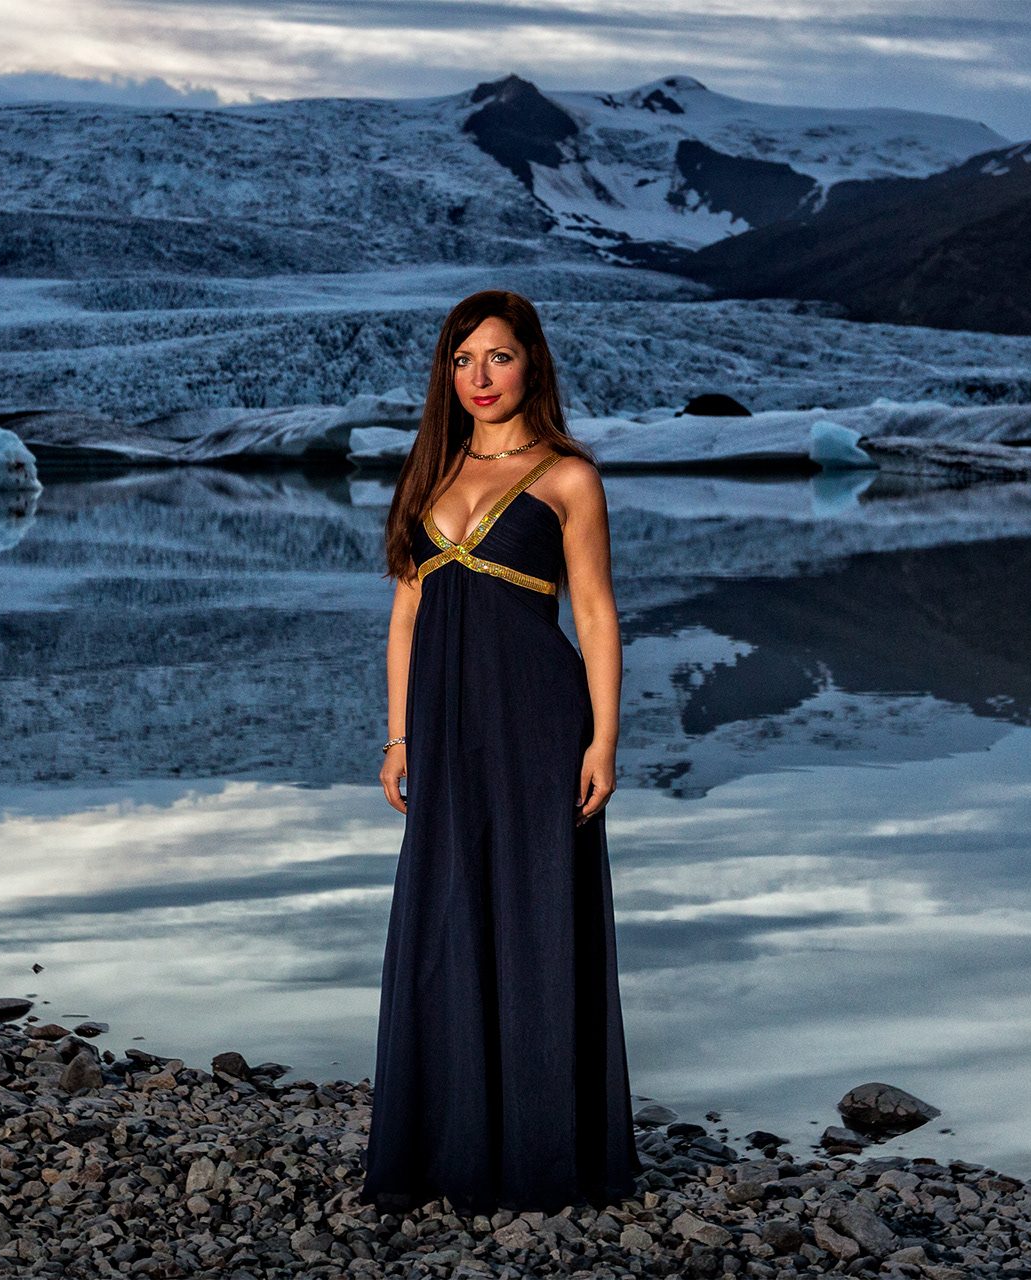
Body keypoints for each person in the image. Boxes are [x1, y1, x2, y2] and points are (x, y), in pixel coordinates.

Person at [361, 289, 641, 1214]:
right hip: (442, 729)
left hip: (536, 724)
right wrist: (399, 734)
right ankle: (449, 1141)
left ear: (533, 364)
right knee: (444, 922)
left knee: (533, 917)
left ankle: (543, 1153)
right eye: (463, 359)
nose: (482, 377)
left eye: (500, 357)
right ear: (448, 372)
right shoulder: (429, 473)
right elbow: (406, 615)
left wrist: (603, 737)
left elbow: (594, 614)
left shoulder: (567, 477)